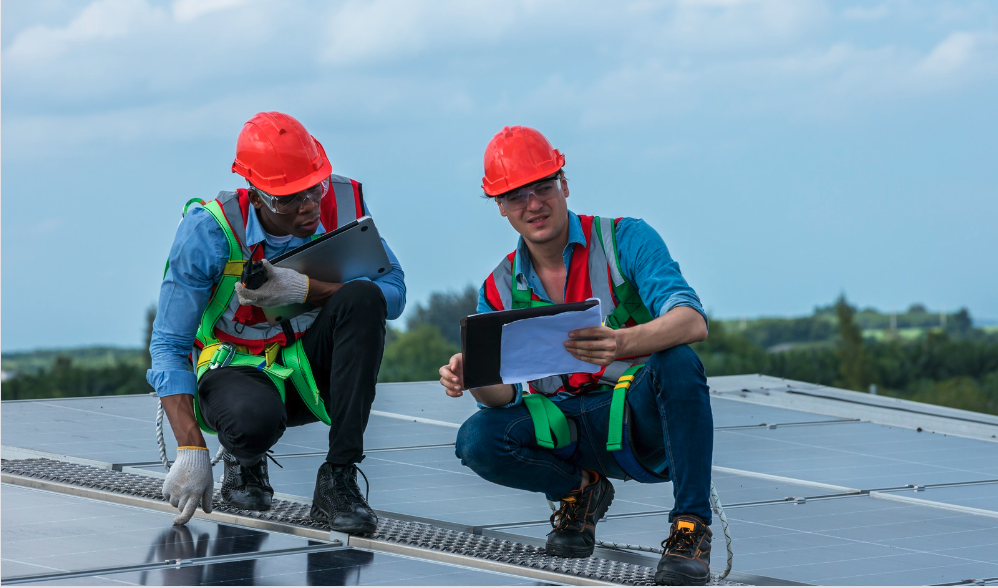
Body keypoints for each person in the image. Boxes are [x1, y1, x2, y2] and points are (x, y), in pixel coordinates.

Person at [439, 126, 714, 586]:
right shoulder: (498, 286)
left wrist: (624, 343)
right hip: (564, 429)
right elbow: (500, 397)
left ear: (564, 184)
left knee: (678, 360)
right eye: (515, 196)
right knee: (476, 440)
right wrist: (473, 374)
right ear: (501, 208)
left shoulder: (626, 239)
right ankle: (580, 493)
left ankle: (691, 528)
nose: (534, 204)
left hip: (637, 419)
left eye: (543, 186)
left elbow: (692, 321)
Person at [148, 111, 405, 535]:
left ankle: (338, 479)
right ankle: (243, 456)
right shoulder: (210, 231)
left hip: (312, 366)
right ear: (255, 191)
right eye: (287, 199)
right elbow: (168, 345)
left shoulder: (342, 205)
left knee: (363, 297)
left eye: (313, 189)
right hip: (237, 367)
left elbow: (393, 294)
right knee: (251, 423)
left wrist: (304, 290)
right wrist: (191, 448)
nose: (307, 207)